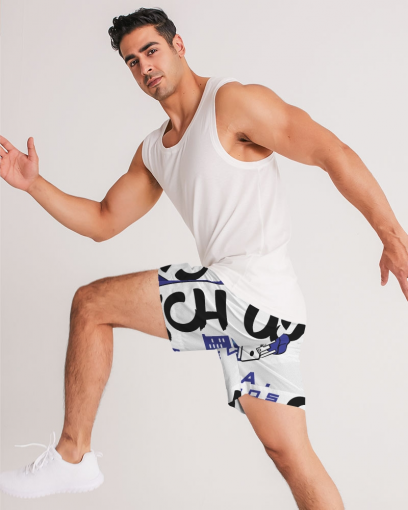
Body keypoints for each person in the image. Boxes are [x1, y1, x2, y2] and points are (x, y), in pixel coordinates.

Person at [1, 6, 407, 509]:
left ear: (178, 46)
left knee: (92, 304)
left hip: (250, 292)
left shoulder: (230, 103)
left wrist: (393, 237)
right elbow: (104, 220)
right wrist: (34, 184)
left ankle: (72, 455)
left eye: (151, 50)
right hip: (265, 313)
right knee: (290, 454)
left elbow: (332, 152)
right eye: (132, 61)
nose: (145, 67)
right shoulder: (155, 150)